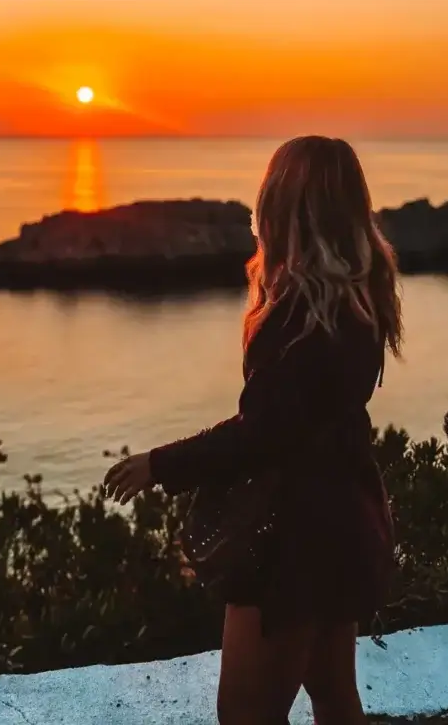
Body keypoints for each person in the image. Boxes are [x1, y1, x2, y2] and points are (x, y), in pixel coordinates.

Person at [103, 136, 400, 725]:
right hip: (347, 519)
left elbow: (261, 433)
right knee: (334, 696)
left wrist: (159, 465)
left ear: (282, 203)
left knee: (245, 713)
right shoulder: (362, 299)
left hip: (295, 540)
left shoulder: (300, 313)